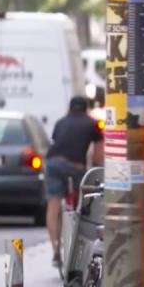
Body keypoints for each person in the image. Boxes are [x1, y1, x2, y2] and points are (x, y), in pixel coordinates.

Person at [45, 96, 103, 267]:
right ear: (86, 109)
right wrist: (98, 169)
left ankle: (56, 251)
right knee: (81, 203)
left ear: (69, 109)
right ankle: (78, 236)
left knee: (53, 204)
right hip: (76, 166)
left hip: (53, 162)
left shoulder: (60, 122)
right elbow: (98, 154)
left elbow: (56, 141)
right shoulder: (92, 124)